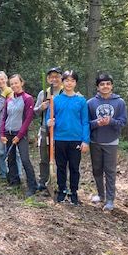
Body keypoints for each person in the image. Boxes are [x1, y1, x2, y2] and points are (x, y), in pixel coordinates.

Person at [46, 70, 90, 205]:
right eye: (66, 80)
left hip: (75, 139)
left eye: (72, 80)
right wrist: (49, 122)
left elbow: (85, 121)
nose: (69, 83)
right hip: (59, 138)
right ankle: (62, 190)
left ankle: (73, 191)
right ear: (62, 82)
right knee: (61, 166)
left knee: (74, 167)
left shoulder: (81, 101)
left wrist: (85, 140)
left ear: (75, 83)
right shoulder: (55, 100)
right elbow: (49, 118)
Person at [87, 73, 128, 211]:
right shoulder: (91, 103)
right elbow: (86, 123)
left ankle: (110, 199)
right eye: (102, 84)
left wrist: (111, 121)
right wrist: (97, 123)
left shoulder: (119, 102)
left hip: (111, 141)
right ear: (98, 87)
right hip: (95, 141)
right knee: (97, 170)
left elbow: (123, 122)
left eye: (108, 84)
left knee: (110, 171)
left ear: (112, 86)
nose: (105, 86)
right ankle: (101, 194)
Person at [0, 74, 38, 196]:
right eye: (12, 84)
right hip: (8, 133)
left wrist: (19, 135)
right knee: (10, 159)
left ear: (22, 83)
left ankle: (32, 186)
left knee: (25, 159)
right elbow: (4, 117)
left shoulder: (28, 99)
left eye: (16, 83)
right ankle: (14, 182)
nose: (14, 85)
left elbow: (28, 119)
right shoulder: (9, 99)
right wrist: (2, 133)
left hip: (21, 135)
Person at [33, 67, 64, 192]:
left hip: (60, 130)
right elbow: (35, 111)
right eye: (51, 77)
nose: (54, 79)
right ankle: (43, 181)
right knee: (44, 157)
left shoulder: (65, 92)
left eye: (57, 76)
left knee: (61, 158)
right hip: (45, 129)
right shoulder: (44, 93)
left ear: (61, 78)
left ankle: (60, 182)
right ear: (48, 79)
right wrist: (42, 106)